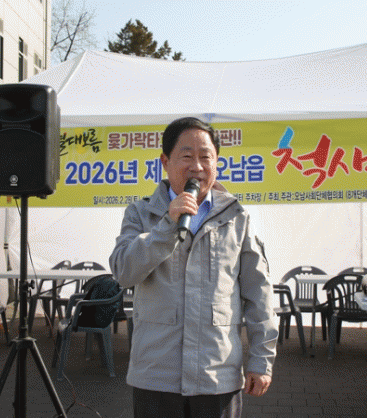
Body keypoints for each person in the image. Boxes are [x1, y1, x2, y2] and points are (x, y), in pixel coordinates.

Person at [109, 117, 278, 418]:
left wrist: (261, 360)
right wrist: (167, 225)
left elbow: (259, 293)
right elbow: (124, 272)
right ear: (165, 161)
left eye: (205, 157)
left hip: (217, 377)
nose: (197, 166)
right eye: (186, 156)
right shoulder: (141, 213)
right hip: (156, 376)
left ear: (217, 162)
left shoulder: (237, 218)